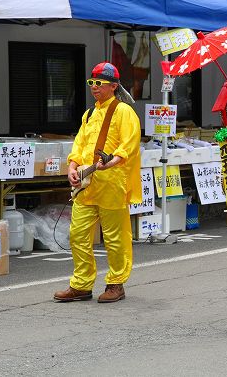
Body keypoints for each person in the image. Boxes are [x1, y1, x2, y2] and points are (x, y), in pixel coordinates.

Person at [54, 62, 141, 303]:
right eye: (92, 83)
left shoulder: (124, 112)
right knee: (78, 234)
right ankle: (81, 284)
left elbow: (130, 144)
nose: (94, 88)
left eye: (99, 84)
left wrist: (112, 162)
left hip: (113, 182)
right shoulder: (89, 114)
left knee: (115, 237)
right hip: (87, 182)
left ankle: (116, 283)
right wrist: (72, 166)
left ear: (113, 86)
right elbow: (79, 145)